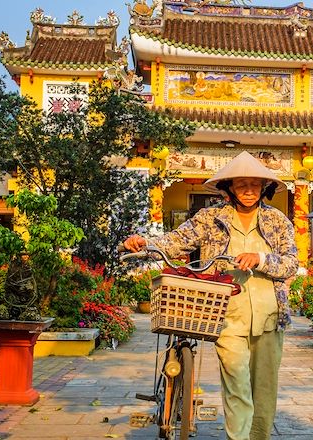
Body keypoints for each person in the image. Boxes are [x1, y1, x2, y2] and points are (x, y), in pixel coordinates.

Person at [122, 151, 298, 440]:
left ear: (265, 188)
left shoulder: (277, 221)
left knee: (264, 389)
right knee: (237, 384)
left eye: (255, 184)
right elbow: (176, 242)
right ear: (228, 188)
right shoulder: (210, 218)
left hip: (269, 315)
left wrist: (261, 259)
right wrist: (144, 242)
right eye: (242, 184)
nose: (249, 190)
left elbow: (291, 261)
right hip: (226, 314)